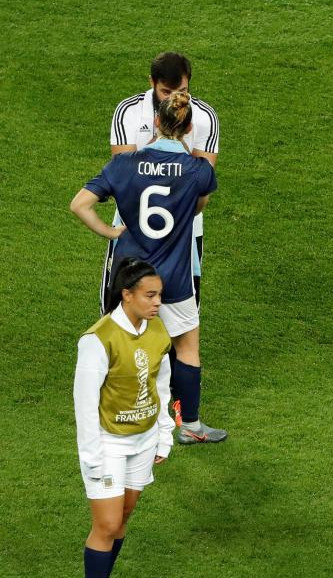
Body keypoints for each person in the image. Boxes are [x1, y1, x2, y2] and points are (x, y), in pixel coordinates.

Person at [71, 91, 226, 445]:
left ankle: (110, 418)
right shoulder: (199, 170)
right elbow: (199, 207)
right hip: (174, 275)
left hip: (129, 274)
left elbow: (79, 204)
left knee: (119, 345)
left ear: (155, 121)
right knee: (186, 348)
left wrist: (111, 231)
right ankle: (189, 424)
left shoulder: (123, 165)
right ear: (188, 128)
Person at [74, 258, 174, 578]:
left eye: (159, 295)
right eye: (149, 295)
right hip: (108, 444)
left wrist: (163, 435)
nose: (157, 302)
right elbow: (84, 406)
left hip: (144, 440)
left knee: (124, 517)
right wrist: (93, 460)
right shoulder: (97, 340)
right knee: (108, 523)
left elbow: (161, 385)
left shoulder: (158, 329)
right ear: (126, 294)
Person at [109, 51, 219, 306]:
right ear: (152, 83)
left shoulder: (204, 117)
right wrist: (165, 140)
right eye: (166, 92)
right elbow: (124, 180)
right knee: (120, 318)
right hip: (133, 228)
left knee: (180, 324)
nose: (174, 99)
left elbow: (202, 187)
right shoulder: (128, 112)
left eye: (182, 91)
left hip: (184, 232)